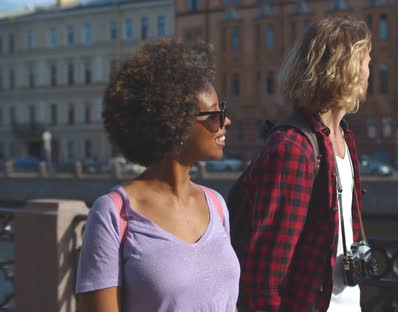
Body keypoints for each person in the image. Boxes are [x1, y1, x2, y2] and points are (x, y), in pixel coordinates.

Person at [75, 40, 239, 311]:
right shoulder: (115, 213)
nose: (226, 121)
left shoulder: (217, 205)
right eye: (214, 114)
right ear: (175, 122)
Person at [237, 16, 371, 311]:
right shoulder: (293, 147)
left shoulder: (343, 135)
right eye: (366, 61)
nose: (368, 71)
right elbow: (267, 270)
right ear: (345, 67)